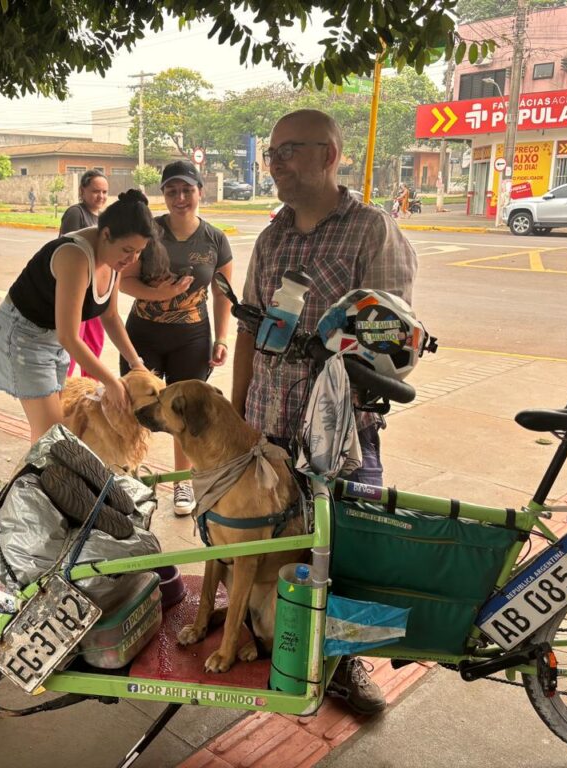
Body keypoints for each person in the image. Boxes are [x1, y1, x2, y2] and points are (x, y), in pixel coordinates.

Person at [231, 109, 418, 715]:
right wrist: (237, 416)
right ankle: (267, 621)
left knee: (346, 543)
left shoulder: (371, 230)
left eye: (288, 151)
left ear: (330, 154)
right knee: (266, 534)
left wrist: (348, 365)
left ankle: (347, 661)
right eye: (273, 153)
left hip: (340, 428)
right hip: (268, 414)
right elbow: (250, 334)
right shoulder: (272, 237)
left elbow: (396, 341)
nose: (276, 163)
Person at [0, 189, 152, 443]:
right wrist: (111, 382)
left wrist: (136, 363)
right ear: (105, 234)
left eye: (139, 251)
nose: (132, 259)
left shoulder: (115, 259)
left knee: (53, 429)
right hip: (21, 337)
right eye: (128, 250)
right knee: (52, 436)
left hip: (52, 338)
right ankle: (34, 481)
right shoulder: (75, 256)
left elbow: (110, 316)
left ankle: (42, 478)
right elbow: (69, 337)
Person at [118, 160, 232, 515]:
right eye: (171, 191)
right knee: (135, 407)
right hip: (143, 336)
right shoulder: (149, 233)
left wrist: (223, 338)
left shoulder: (215, 239)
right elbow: (124, 281)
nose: (180, 197)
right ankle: (130, 476)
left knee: (185, 413)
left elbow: (222, 292)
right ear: (163, 195)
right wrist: (161, 296)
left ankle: (184, 483)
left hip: (192, 338)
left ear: (200, 191)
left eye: (187, 190)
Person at [59, 169, 110, 379]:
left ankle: (89, 393)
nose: (101, 196)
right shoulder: (75, 214)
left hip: (96, 293)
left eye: (105, 192)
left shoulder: (104, 218)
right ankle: (66, 393)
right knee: (73, 348)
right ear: (83, 191)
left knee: (93, 345)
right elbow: (67, 250)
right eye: (95, 191)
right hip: (77, 293)